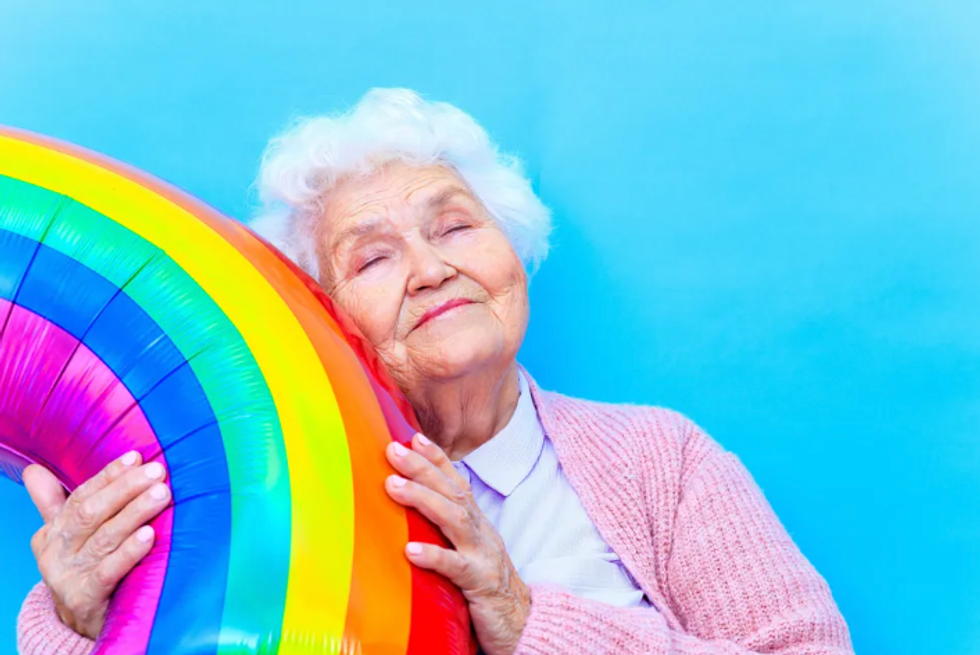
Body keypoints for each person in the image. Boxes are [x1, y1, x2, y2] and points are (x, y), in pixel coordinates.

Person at [17, 88, 854, 655]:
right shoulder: (233, 482)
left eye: (454, 228)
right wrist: (74, 623)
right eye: (373, 257)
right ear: (324, 317)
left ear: (511, 249)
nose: (430, 269)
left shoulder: (659, 460)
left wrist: (527, 620)